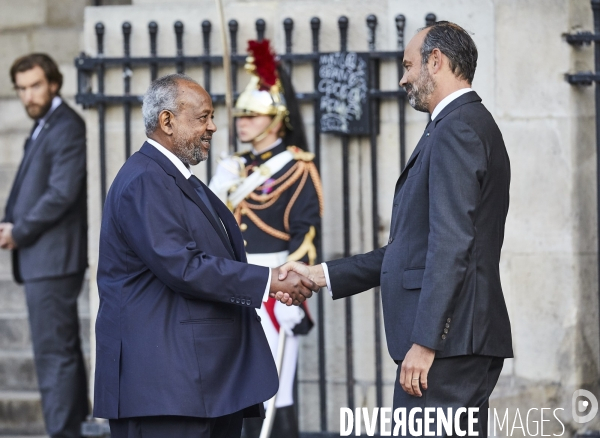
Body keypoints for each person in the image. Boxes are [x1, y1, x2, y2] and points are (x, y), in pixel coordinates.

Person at [277, 21, 513, 436]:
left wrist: (425, 343)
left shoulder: (456, 128)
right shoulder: (459, 124)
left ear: (435, 61)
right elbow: (412, 250)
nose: (403, 77)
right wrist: (321, 274)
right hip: (457, 342)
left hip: (448, 346)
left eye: (408, 65)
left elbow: (451, 244)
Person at [94, 73, 316, 438]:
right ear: (167, 121)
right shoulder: (145, 179)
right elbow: (183, 267)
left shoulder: (179, 178)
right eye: (203, 117)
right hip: (167, 388)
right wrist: (269, 279)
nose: (213, 127)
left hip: (200, 384)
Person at [209, 40, 322, 438]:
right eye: (240, 115)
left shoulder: (297, 168)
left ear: (276, 118)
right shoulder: (234, 166)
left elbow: (306, 238)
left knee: (274, 392)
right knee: (229, 387)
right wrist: (217, 189)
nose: (242, 123)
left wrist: (296, 290)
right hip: (232, 283)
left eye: (253, 116)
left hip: (275, 286)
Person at [0, 53, 88, 438]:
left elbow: (60, 193)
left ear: (54, 82)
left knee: (54, 356)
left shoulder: (66, 124)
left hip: (53, 259)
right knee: (60, 353)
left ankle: (65, 432)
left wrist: (18, 231)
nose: (28, 95)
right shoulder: (46, 124)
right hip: (42, 259)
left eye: (35, 85)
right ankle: (75, 427)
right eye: (21, 89)